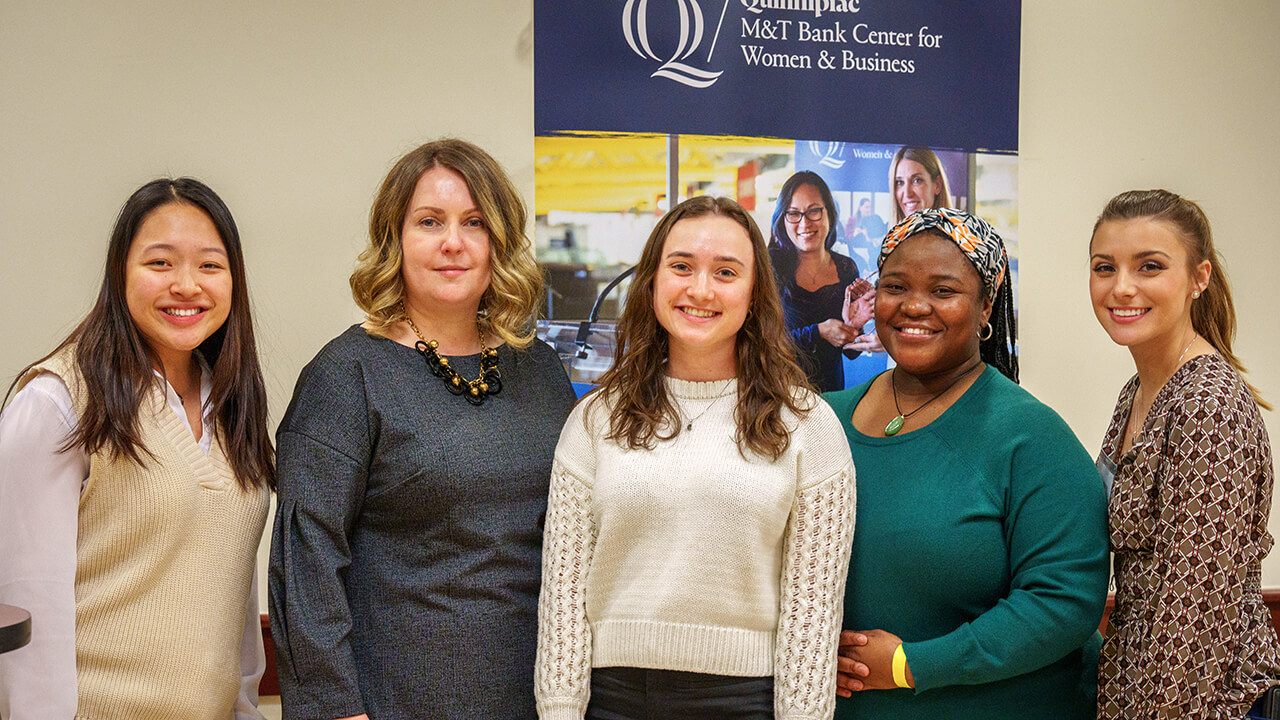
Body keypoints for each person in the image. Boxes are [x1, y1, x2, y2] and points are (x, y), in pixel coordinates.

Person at [268, 138, 576, 720]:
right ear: (396, 239)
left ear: (498, 243)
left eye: (475, 223)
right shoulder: (347, 376)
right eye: (429, 222)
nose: (452, 242)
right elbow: (305, 565)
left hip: (536, 698)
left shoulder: (537, 368)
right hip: (391, 701)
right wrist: (336, 708)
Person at [535, 195, 856, 720]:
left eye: (726, 272)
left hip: (747, 703)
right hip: (609, 702)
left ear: (755, 293)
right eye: (681, 266)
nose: (700, 289)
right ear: (654, 282)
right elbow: (563, 600)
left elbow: (812, 617)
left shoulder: (808, 426)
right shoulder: (596, 419)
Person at [0, 178, 275, 719]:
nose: (187, 285)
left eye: (210, 266)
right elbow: (26, 606)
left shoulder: (232, 406)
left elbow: (230, 594)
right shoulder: (60, 402)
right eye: (160, 263)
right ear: (119, 274)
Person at [825, 208, 1109, 719]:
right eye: (895, 286)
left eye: (943, 290)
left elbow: (1062, 602)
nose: (915, 306)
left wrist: (911, 664)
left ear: (985, 309)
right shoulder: (822, 421)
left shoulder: (1031, 437)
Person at [1088, 189, 1280, 719]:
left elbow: (1194, 616)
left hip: (1203, 702)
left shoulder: (1207, 405)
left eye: (1149, 266)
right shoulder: (1139, 391)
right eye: (1106, 267)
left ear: (1200, 277)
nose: (1122, 287)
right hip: (1137, 690)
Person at [768, 170, 878, 393]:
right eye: (794, 213)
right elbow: (762, 345)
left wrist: (854, 327)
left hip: (830, 397)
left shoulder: (846, 268)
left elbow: (850, 351)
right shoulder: (769, 266)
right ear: (783, 218)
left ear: (829, 214)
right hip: (779, 395)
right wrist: (819, 331)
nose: (804, 223)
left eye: (814, 211)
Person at [888, 147, 953, 224]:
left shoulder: (960, 234)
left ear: (937, 185)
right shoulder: (891, 235)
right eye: (899, 182)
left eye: (917, 180)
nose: (907, 194)